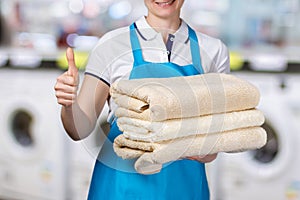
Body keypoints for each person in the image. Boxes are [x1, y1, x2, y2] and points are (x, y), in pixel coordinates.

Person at [54, 0, 230, 199]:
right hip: (119, 188)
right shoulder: (111, 45)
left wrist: (187, 146)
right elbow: (79, 130)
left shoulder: (214, 51)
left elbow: (212, 149)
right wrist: (69, 105)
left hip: (183, 188)